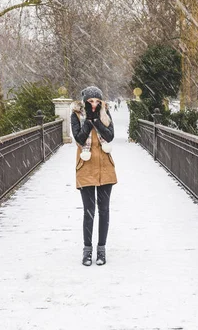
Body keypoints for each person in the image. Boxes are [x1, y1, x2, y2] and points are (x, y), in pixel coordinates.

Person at [71, 86, 117, 266]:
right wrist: (88, 122)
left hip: (106, 167)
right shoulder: (76, 115)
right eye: (90, 101)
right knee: (89, 211)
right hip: (85, 167)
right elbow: (79, 139)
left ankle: (102, 250)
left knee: (104, 211)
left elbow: (110, 135)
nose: (94, 104)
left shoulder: (105, 114)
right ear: (84, 101)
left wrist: (97, 121)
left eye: (97, 101)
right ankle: (87, 250)